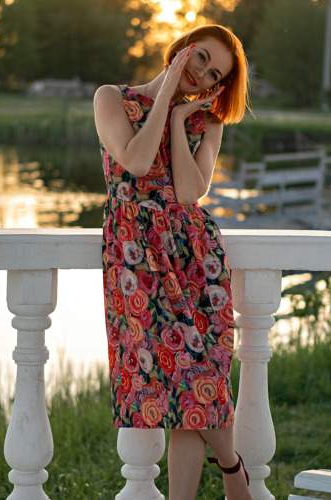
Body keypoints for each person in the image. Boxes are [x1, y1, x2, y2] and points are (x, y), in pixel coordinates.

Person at [93, 23, 252, 500]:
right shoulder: (111, 99)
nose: (202, 73)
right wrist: (165, 98)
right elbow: (137, 162)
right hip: (137, 256)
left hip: (196, 257)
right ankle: (233, 470)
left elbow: (187, 192)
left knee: (200, 381)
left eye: (215, 74)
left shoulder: (207, 122)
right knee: (182, 380)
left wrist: (182, 121)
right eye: (200, 57)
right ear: (182, 48)